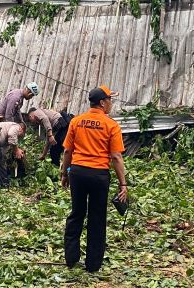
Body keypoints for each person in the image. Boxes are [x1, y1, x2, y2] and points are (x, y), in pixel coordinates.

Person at [61, 85, 127, 272]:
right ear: (102, 102)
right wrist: (123, 184)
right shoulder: (111, 125)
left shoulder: (77, 121)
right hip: (99, 176)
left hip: (78, 173)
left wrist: (64, 173)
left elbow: (68, 150)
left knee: (76, 213)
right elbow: (116, 157)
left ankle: (71, 259)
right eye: (110, 100)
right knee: (97, 218)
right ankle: (93, 265)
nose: (111, 104)